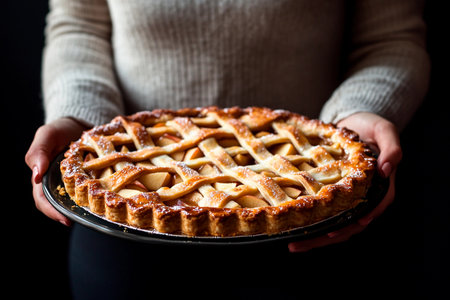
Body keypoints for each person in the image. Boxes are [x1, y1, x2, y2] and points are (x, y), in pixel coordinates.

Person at [25, 0, 429, 298]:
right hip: (125, 231)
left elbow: (390, 37)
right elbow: (78, 27)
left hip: (312, 236)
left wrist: (361, 113)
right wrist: (80, 121)